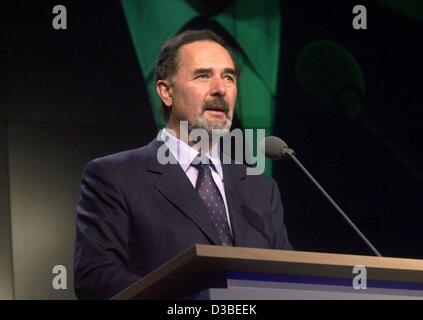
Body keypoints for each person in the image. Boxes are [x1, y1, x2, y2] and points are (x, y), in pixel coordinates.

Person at [74, 29, 292, 300]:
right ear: (166, 92)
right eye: (203, 76)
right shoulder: (114, 176)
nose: (220, 89)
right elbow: (96, 276)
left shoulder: (261, 188)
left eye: (229, 77)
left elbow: (288, 277)